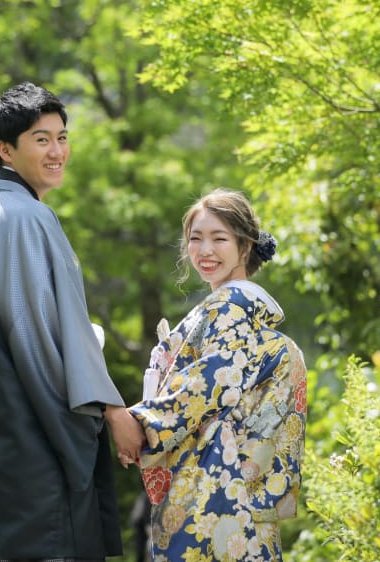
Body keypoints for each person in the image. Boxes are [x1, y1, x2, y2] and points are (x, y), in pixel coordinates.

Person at [0, 82, 145, 560]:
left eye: (62, 137)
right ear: (5, 149)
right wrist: (112, 411)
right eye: (41, 139)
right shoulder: (27, 218)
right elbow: (44, 341)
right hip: (29, 461)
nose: (57, 151)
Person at [126, 189, 307, 562]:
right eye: (196, 238)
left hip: (212, 491)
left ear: (245, 247)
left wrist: (135, 423)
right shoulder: (244, 313)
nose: (205, 250)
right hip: (245, 496)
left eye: (219, 238)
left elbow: (204, 388)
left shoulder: (230, 307)